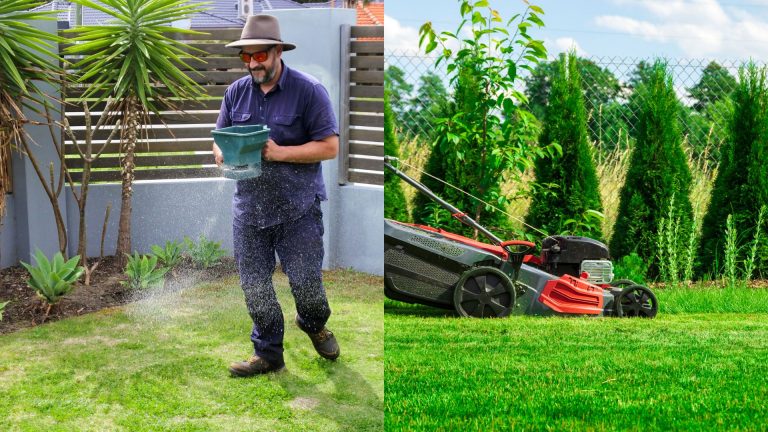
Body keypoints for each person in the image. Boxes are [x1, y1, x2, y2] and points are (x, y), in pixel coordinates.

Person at [213, 14, 340, 377]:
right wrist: (222, 153)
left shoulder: (309, 90)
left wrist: (279, 153)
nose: (253, 63)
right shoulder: (235, 92)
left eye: (260, 56)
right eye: (246, 57)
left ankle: (314, 324)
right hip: (250, 209)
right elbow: (219, 139)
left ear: (278, 51)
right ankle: (268, 354)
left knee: (306, 285)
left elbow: (330, 147)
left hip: (298, 208)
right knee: (254, 285)